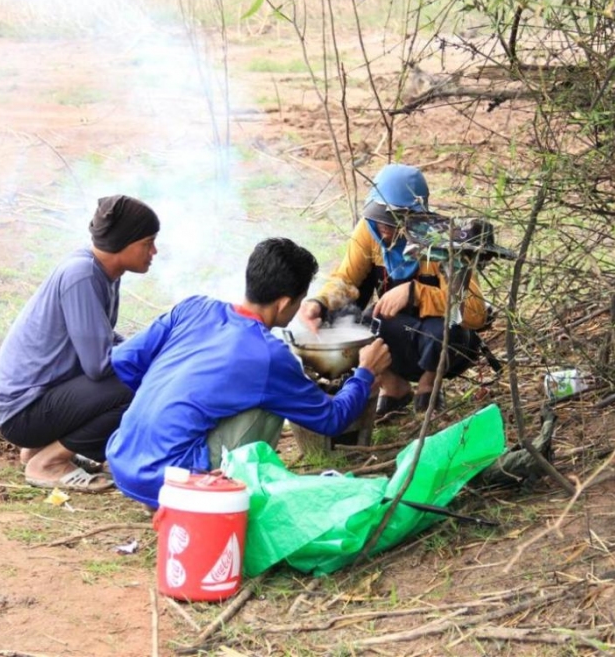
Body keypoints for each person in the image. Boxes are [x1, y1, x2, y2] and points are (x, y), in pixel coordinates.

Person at [105, 237, 392, 509]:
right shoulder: (269, 355)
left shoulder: (193, 307)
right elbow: (332, 420)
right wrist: (364, 373)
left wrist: (160, 398)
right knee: (267, 402)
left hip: (123, 458)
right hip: (174, 481)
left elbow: (125, 360)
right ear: (283, 303)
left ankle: (162, 493)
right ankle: (226, 497)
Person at [0, 195, 160, 493]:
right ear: (125, 242)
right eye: (148, 242)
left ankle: (40, 448)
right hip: (23, 412)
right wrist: (153, 354)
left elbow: (101, 339)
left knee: (139, 372)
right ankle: (48, 463)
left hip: (36, 400)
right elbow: (99, 365)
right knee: (137, 383)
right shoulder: (81, 274)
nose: (154, 251)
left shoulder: (104, 272)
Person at [297, 163, 490, 417]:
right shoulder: (369, 230)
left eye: (395, 221)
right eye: (380, 218)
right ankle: (394, 387)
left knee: (446, 331)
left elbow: (476, 312)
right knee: (340, 319)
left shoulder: (442, 240)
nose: (385, 228)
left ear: (418, 216)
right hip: (398, 333)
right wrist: (319, 303)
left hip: (438, 340)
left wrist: (415, 292)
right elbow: (345, 280)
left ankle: (429, 385)